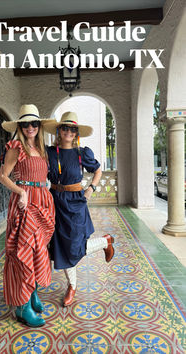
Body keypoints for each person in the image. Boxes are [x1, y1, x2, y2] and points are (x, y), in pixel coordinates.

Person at [43, 112, 114, 307]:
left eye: (72, 129)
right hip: (55, 201)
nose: (68, 131)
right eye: (65, 128)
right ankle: (72, 286)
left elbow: (97, 170)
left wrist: (91, 189)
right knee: (61, 247)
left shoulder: (83, 153)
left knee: (74, 246)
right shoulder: (49, 152)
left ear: (76, 133)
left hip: (75, 203)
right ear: (59, 131)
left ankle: (104, 242)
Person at [0, 104, 55, 327]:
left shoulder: (41, 148)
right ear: (20, 127)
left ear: (39, 126)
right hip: (25, 204)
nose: (30, 127)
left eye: (34, 123)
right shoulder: (16, 147)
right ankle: (22, 307)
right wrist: (21, 191)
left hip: (42, 203)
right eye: (25, 124)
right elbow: (3, 176)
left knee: (38, 251)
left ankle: (32, 294)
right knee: (25, 252)